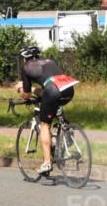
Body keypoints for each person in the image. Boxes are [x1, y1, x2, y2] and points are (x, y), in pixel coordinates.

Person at [17, 45, 79, 176]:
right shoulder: (50, 61)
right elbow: (50, 84)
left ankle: (46, 162)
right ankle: (64, 132)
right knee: (54, 106)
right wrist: (38, 91)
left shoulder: (27, 67)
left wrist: (20, 89)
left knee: (44, 124)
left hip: (53, 91)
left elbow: (26, 95)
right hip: (68, 88)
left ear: (25, 58)